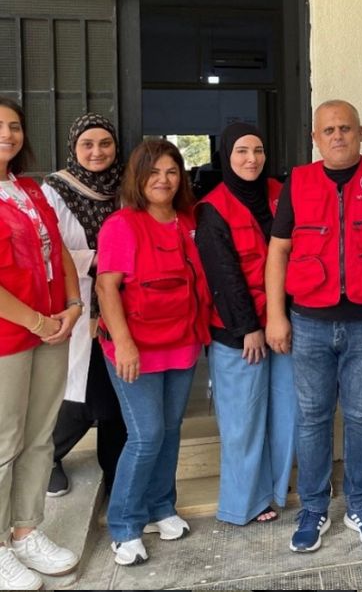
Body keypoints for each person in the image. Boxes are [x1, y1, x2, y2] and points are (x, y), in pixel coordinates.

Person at [265, 99, 362, 553]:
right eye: (329, 130)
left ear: (361, 132)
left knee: (361, 417)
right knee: (312, 419)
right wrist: (276, 315)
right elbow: (278, 252)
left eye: (346, 128)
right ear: (316, 138)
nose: (338, 136)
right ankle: (313, 508)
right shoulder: (299, 181)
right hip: (310, 321)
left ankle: (361, 502)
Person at [95, 139, 211, 567]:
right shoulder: (122, 225)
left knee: (171, 430)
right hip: (135, 348)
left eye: (172, 171)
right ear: (138, 178)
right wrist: (123, 342)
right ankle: (124, 524)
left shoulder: (185, 221)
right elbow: (107, 286)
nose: (163, 180)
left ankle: (162, 507)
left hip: (180, 342)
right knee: (145, 436)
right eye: (154, 172)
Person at [195, 123, 296, 526]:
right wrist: (249, 327)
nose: (250, 159)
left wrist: (284, 317)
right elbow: (223, 275)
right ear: (225, 156)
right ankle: (243, 502)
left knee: (285, 412)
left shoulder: (279, 193)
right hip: (241, 331)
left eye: (257, 150)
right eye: (241, 151)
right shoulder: (212, 207)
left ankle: (274, 489)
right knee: (243, 420)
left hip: (284, 323)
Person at [0, 97, 82, 590]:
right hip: (10, 335)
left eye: (13, 126)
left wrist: (73, 305)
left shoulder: (30, 189)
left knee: (39, 436)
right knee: (3, 442)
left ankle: (27, 529)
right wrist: (36, 320)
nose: (6, 134)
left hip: (51, 328)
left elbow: (62, 252)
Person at [41, 113, 126, 499]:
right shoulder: (55, 190)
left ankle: (117, 470)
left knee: (119, 389)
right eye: (87, 145)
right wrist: (98, 259)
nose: (97, 152)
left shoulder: (127, 185)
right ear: (74, 148)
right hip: (81, 300)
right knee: (85, 395)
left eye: (105, 144)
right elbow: (48, 248)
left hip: (124, 302)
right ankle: (48, 457)